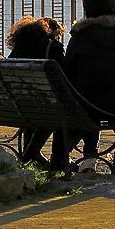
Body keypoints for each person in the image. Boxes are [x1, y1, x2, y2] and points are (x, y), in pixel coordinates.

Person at [63, 0, 115, 175]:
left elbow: (70, 68)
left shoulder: (81, 34)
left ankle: (90, 158)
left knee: (90, 102)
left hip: (88, 102)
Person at [6, 15, 69, 171]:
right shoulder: (53, 47)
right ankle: (34, 154)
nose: (58, 37)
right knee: (57, 111)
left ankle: (32, 156)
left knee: (34, 110)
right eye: (57, 33)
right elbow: (64, 77)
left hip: (19, 104)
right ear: (50, 31)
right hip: (48, 106)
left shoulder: (17, 50)